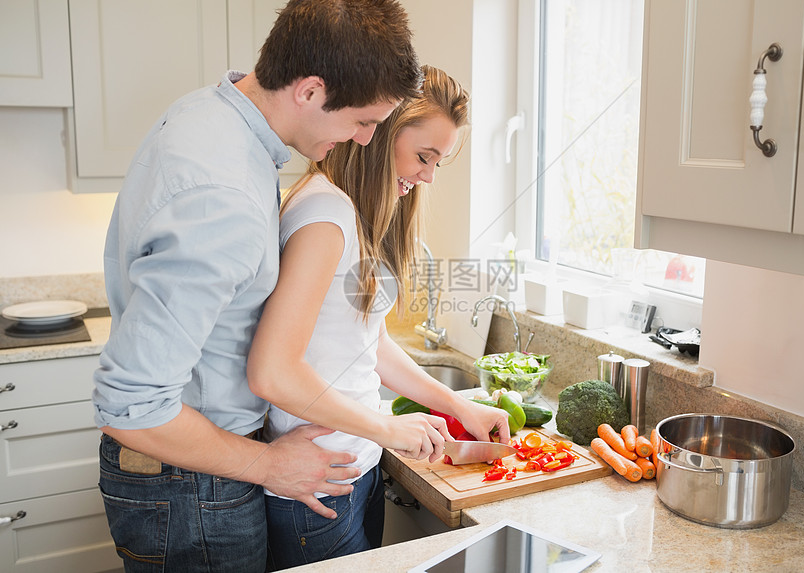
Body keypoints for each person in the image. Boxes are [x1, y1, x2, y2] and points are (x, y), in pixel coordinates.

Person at [91, 1, 422, 571]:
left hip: (193, 474)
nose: (367, 140)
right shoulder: (226, 197)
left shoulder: (208, 114)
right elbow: (131, 408)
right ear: (311, 90)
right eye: (365, 120)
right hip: (192, 484)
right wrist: (269, 465)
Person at [246, 65, 511, 569]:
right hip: (318, 484)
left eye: (440, 162)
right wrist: (388, 430)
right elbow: (273, 371)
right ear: (381, 133)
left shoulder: (351, 213)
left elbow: (368, 343)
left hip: (355, 469)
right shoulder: (324, 217)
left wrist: (459, 406)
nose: (429, 175)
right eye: (423, 156)